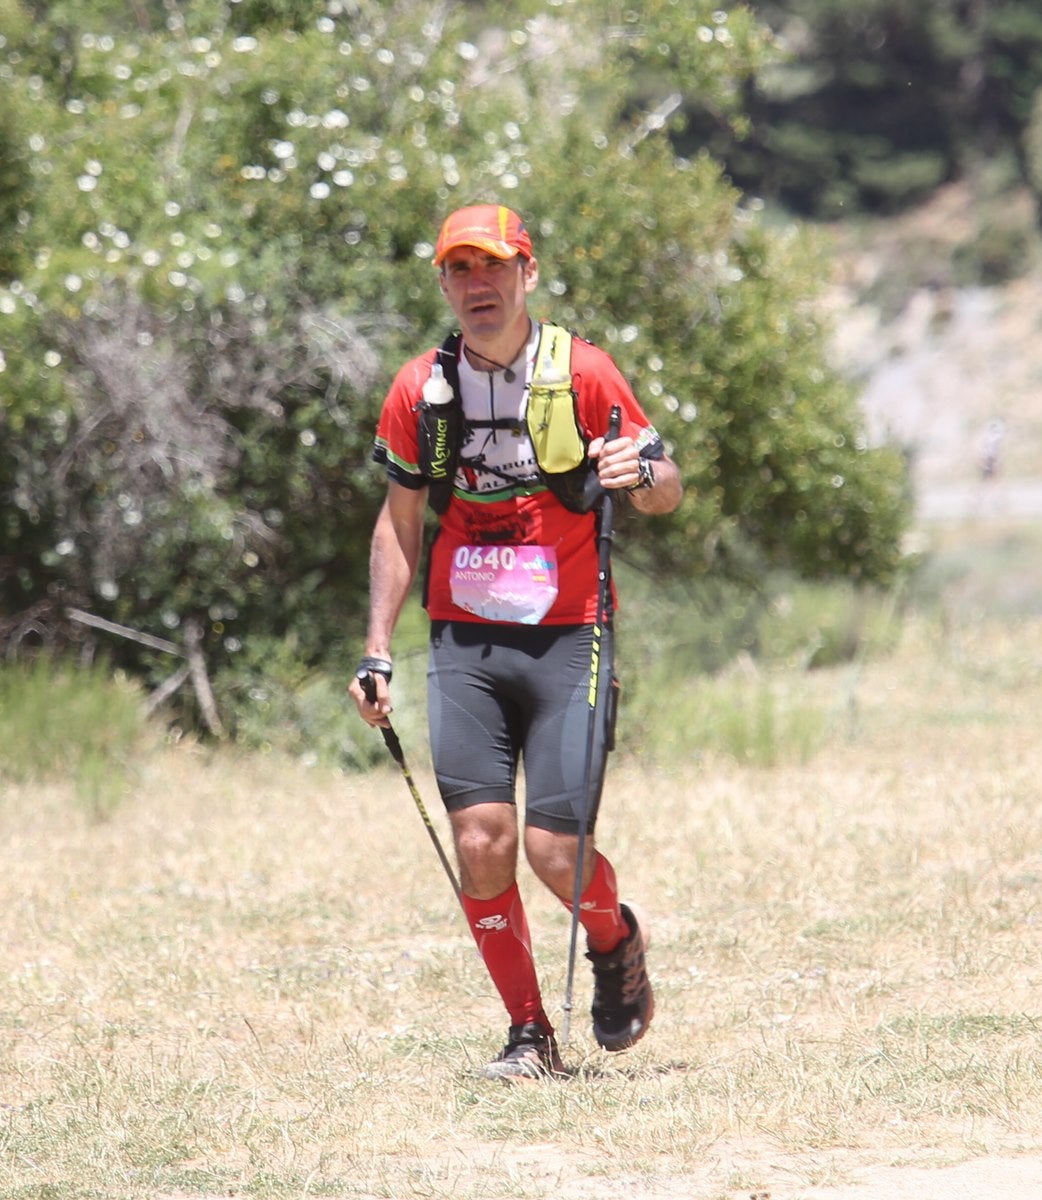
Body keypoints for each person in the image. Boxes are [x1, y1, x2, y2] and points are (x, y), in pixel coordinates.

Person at [349, 203, 683, 1080]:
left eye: (493, 265)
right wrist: (376, 648)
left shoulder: (583, 373)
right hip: (465, 642)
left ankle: (614, 941)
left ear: (527, 273)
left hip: (571, 637)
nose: (478, 284)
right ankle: (529, 1033)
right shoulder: (419, 390)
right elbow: (398, 523)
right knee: (482, 843)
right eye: (459, 269)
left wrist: (641, 475)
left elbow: (666, 484)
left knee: (555, 853)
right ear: (443, 285)